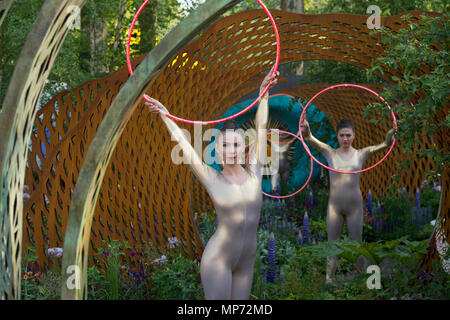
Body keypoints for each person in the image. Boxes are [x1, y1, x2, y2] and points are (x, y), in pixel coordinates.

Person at [145, 67, 279, 299]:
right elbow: (186, 148)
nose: (231, 151)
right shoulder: (212, 178)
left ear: (244, 148)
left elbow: (260, 127)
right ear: (217, 150)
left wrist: (264, 93)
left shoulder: (255, 171)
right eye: (225, 146)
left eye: (236, 145)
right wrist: (165, 116)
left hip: (246, 260)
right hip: (219, 259)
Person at [300, 118, 394, 282]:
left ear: (354, 136)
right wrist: (307, 132)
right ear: (337, 136)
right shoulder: (330, 152)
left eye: (348, 135)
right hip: (334, 207)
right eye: (342, 135)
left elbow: (384, 145)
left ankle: (362, 283)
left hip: (354, 207)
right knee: (332, 245)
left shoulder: (361, 154)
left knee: (357, 245)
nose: (345, 139)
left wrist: (389, 136)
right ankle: (329, 283)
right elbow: (310, 139)